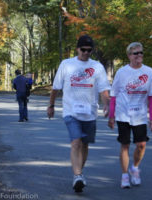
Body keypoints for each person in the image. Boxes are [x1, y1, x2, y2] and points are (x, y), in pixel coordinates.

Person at [47, 35, 111, 193]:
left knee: (85, 144)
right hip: (71, 111)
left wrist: (107, 105)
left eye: (89, 50)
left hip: (90, 113)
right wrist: (51, 105)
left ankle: (78, 175)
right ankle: (78, 175)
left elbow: (104, 89)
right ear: (77, 49)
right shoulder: (66, 64)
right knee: (76, 142)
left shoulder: (97, 67)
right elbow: (56, 87)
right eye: (83, 50)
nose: (86, 53)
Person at [108, 42, 152, 188]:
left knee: (141, 145)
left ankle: (134, 168)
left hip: (140, 115)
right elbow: (114, 95)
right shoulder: (122, 73)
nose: (139, 55)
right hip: (123, 114)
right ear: (129, 55)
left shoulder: (149, 72)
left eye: (141, 53)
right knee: (125, 144)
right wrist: (111, 116)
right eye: (136, 53)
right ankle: (124, 176)